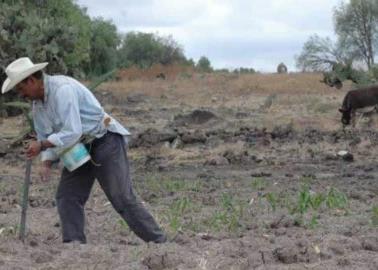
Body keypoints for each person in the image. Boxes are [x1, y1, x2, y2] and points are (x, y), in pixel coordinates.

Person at [1, 57, 167, 244]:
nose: (20, 95)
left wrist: (41, 146)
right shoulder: (37, 106)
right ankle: (74, 245)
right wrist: (46, 161)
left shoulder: (62, 90)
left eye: (21, 89)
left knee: (121, 196)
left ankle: (159, 242)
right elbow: (45, 134)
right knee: (68, 196)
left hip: (104, 139)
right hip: (78, 148)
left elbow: (72, 131)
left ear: (31, 81)